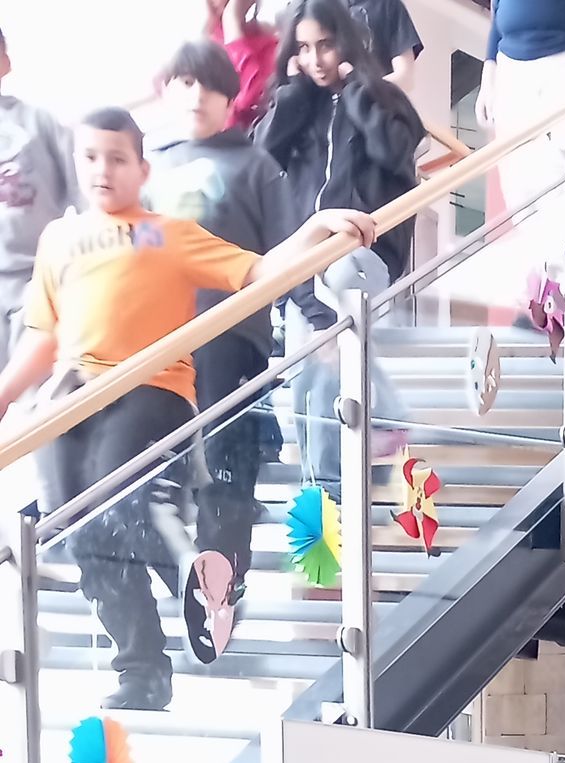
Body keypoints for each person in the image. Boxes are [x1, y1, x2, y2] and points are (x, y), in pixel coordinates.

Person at [0, 106, 374, 710]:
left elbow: (256, 272)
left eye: (117, 159)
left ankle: (191, 577)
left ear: (143, 169)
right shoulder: (58, 239)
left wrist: (317, 227)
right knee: (79, 530)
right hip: (71, 398)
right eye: (90, 158)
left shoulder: (162, 233)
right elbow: (43, 336)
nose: (102, 170)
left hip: (150, 389)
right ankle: (144, 671)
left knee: (111, 502)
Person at [147, 39, 297, 622]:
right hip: (154, 343)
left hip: (231, 338)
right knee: (152, 474)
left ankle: (222, 594)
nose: (196, 96)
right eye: (184, 82)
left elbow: (288, 253)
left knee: (224, 473)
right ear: (166, 90)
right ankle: (178, 589)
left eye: (209, 85)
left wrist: (319, 320)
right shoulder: (148, 166)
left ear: (231, 97)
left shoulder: (255, 165)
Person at [259, 0, 423, 489]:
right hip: (305, 260)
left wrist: (359, 92)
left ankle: (336, 480)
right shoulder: (297, 106)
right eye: (305, 48)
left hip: (364, 254)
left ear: (347, 42)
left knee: (329, 331)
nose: (316, 60)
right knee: (305, 379)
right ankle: (328, 483)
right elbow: (260, 162)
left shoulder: (382, 97)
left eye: (326, 45)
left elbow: (395, 153)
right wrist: (290, 96)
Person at [480, 0, 565, 274]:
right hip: (513, 64)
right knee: (519, 185)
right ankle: (546, 280)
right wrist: (488, 74)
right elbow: (497, 13)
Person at [0, 25, 73, 357]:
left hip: (37, 277)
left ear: (5, 59)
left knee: (33, 378)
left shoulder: (37, 121)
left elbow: (87, 193)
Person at [201, 2, 279, 133]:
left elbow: (247, 99)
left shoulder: (271, 46)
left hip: (231, 141)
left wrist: (230, 19)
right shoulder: (208, 39)